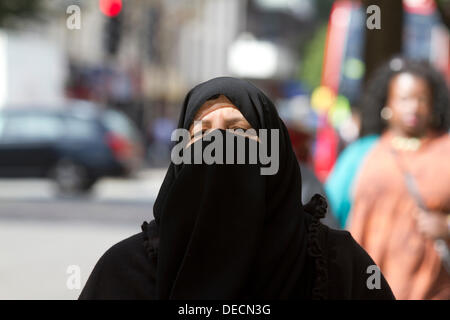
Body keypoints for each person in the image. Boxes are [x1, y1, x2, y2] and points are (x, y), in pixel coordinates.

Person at [79, 77, 394, 300]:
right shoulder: (125, 271)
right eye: (202, 132)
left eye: (237, 130)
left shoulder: (337, 266)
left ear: (274, 150)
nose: (218, 144)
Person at [347, 58, 450, 299]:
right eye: (404, 99)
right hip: (369, 286)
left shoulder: (446, 151)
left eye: (421, 99)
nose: (413, 107)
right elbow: (328, 208)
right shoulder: (363, 153)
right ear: (387, 105)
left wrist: (446, 226)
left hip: (433, 290)